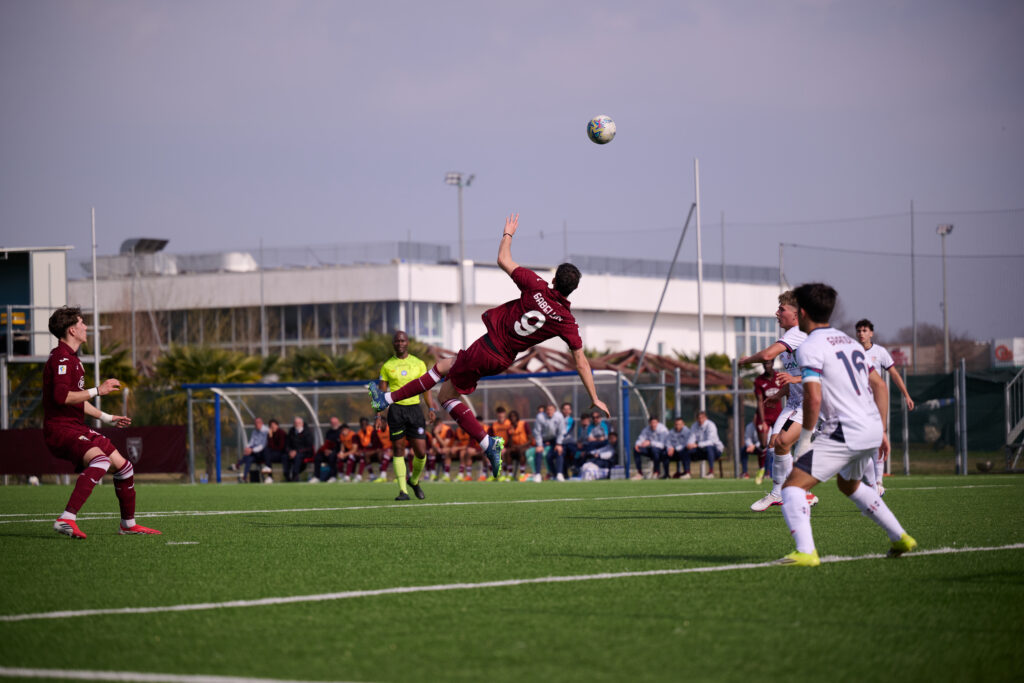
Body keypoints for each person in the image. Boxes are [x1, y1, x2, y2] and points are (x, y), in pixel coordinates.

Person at [367, 214, 611, 480]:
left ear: (554, 280)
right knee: (445, 385)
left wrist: (508, 234)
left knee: (444, 382)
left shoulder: (536, 286)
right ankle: (485, 442)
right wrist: (595, 397)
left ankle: (391, 400)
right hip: (502, 358)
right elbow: (581, 361)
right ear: (572, 290)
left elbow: (503, 260)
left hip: (488, 346)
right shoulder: (566, 321)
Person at [776, 283, 917, 566]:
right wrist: (882, 430)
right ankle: (900, 537)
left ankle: (806, 551)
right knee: (849, 484)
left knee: (791, 488)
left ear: (802, 313)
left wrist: (805, 440)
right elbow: (879, 386)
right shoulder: (849, 342)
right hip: (870, 427)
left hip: (845, 430)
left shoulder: (810, 347)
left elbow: (813, 399)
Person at [43, 305, 160, 539]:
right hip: (61, 429)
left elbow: (76, 400)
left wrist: (106, 417)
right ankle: (67, 518)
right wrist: (98, 389)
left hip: (75, 426)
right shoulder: (61, 359)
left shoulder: (73, 359)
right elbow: (62, 397)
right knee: (100, 461)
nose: (86, 326)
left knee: (124, 467)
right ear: (71, 330)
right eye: (81, 322)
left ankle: (128, 524)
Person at [740, 291, 819, 511]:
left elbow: (821, 374)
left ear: (796, 315)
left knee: (783, 443)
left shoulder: (796, 333)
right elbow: (794, 377)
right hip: (793, 404)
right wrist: (780, 393)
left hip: (812, 405)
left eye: (782, 309)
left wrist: (747, 360)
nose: (777, 313)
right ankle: (789, 492)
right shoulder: (788, 348)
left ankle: (784, 493)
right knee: (775, 444)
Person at [376, 330, 439, 499]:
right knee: (398, 448)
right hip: (396, 410)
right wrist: (379, 416)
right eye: (397, 341)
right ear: (394, 344)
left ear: (407, 343)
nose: (400, 343)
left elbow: (426, 388)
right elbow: (381, 394)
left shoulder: (418, 363)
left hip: (414, 410)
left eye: (403, 340)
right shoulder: (387, 366)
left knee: (421, 452)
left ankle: (415, 480)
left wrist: (431, 408)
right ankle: (403, 491)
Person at [855, 319, 916, 496]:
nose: (861, 333)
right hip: (858, 402)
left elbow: (894, 374)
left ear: (871, 333)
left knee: (879, 439)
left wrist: (906, 394)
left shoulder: (880, 352)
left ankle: (878, 481)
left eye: (865, 330)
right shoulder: (852, 351)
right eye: (859, 330)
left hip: (876, 402)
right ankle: (870, 479)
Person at [752, 360, 784, 485]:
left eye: (769, 363)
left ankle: (777, 472)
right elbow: (760, 401)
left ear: (773, 364)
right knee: (763, 443)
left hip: (778, 415)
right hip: (764, 416)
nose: (767, 366)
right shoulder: (759, 380)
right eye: (764, 364)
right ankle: (761, 469)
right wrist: (763, 420)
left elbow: (787, 392)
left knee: (779, 443)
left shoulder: (779, 377)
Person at [534, 403, 567, 481]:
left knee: (559, 451)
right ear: (545, 410)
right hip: (543, 439)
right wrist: (539, 444)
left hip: (554, 439)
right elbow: (537, 432)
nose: (549, 412)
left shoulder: (559, 416)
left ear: (554, 410)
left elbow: (561, 431)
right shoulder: (540, 417)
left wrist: (559, 444)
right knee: (538, 452)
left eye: (551, 409)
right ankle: (538, 474)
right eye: (548, 410)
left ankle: (559, 474)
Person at [686, 411, 723, 479]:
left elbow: (711, 442)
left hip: (716, 450)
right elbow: (692, 437)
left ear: (706, 418)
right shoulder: (694, 425)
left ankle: (711, 472)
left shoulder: (711, 425)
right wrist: (689, 444)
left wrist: (697, 445)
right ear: (696, 419)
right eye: (698, 418)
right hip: (702, 450)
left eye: (702, 418)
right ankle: (687, 473)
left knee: (709, 448)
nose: (700, 420)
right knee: (686, 451)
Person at [310, 416, 343, 483]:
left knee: (332, 457)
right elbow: (327, 443)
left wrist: (332, 451)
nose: (333, 424)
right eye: (332, 423)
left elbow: (341, 445)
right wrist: (325, 450)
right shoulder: (329, 432)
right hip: (328, 451)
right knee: (317, 457)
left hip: (337, 452)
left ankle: (333, 476)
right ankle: (317, 477)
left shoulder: (341, 432)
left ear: (338, 423)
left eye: (335, 422)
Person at [505, 409, 535, 482]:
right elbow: (509, 443)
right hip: (516, 447)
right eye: (511, 417)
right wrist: (511, 434)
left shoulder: (524, 424)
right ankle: (510, 475)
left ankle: (522, 474)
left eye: (514, 416)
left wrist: (521, 446)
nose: (513, 418)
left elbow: (530, 439)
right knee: (508, 452)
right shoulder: (509, 427)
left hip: (525, 446)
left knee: (521, 451)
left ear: (517, 417)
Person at [284, 416, 314, 482]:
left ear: (302, 424)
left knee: (298, 457)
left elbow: (308, 446)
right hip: (292, 453)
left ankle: (295, 475)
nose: (297, 424)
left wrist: (296, 451)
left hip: (304, 453)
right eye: (295, 423)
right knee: (285, 457)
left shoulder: (307, 432)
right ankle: (287, 475)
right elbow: (287, 444)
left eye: (299, 423)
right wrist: (290, 451)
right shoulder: (291, 432)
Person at [489, 406, 515, 481]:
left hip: (507, 446)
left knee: (502, 453)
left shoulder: (509, 424)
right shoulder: (494, 425)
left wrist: (507, 447)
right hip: (496, 446)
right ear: (497, 414)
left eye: (502, 413)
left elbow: (511, 437)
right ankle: (493, 475)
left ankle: (504, 474)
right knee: (487, 454)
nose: (500, 415)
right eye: (499, 413)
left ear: (505, 414)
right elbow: (490, 437)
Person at [240, 416, 269, 483]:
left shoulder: (266, 431)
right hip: (254, 453)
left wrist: (251, 450)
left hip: (263, 453)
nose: (256, 424)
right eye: (255, 423)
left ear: (262, 423)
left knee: (248, 457)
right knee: (248, 458)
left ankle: (238, 464)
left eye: (258, 423)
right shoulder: (254, 431)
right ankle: (244, 478)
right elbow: (251, 442)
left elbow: (262, 446)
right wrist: (247, 448)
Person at [260, 419, 287, 483]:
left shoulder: (281, 433)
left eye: (273, 425)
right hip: (273, 454)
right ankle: (269, 477)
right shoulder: (270, 434)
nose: (272, 427)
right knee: (266, 451)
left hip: (281, 454)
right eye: (271, 426)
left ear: (277, 425)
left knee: (267, 454)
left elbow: (281, 447)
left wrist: (272, 447)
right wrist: (270, 437)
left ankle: (270, 475)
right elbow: (270, 446)